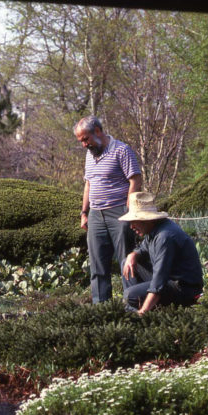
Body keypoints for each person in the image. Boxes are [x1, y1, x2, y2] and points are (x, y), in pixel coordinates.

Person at [74, 115, 142, 303]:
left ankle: (133, 306)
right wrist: (84, 213)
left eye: (85, 139)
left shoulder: (122, 150)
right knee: (97, 266)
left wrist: (129, 210)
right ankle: (101, 310)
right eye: (81, 141)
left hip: (119, 212)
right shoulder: (90, 155)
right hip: (96, 215)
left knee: (126, 263)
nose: (84, 145)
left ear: (97, 131)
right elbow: (88, 184)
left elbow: (135, 179)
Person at [120, 191, 204, 315]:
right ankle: (134, 305)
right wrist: (132, 255)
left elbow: (159, 281)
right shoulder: (153, 230)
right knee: (126, 263)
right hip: (168, 281)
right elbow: (142, 250)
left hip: (184, 289)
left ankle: (141, 313)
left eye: (134, 221)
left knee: (130, 295)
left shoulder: (165, 237)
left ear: (147, 220)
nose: (131, 227)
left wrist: (144, 311)